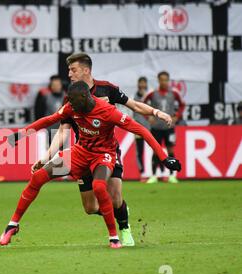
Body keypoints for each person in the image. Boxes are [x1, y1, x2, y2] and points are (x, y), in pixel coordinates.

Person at [1, 81, 181, 248]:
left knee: (99, 186)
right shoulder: (72, 106)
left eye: (74, 103)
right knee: (39, 177)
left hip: (103, 156)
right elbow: (49, 120)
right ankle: (13, 224)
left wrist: (164, 158)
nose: (71, 107)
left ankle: (114, 237)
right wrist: (21, 134)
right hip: (80, 153)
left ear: (86, 98)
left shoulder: (107, 111)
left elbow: (141, 129)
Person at [31, 53, 172, 247]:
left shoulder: (107, 88)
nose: (69, 74)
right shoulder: (70, 97)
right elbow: (63, 132)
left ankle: (124, 228)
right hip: (82, 155)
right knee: (90, 208)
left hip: (107, 152)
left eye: (73, 70)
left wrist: (156, 112)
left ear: (86, 70)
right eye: (69, 70)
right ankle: (113, 213)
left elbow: (134, 106)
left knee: (115, 198)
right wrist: (47, 156)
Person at [144, 71, 185, 184]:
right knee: (156, 151)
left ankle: (172, 175)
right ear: (158, 80)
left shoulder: (174, 93)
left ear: (168, 80)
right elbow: (142, 104)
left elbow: (182, 104)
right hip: (156, 127)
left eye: (166, 80)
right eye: (162, 79)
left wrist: (177, 116)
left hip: (169, 127)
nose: (164, 82)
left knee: (170, 150)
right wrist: (148, 117)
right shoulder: (153, 93)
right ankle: (153, 175)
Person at [34, 75, 65, 144]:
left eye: (58, 84)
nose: (56, 87)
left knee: (64, 152)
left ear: (61, 85)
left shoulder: (66, 96)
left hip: (63, 130)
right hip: (49, 130)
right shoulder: (45, 97)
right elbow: (39, 113)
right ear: (51, 86)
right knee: (50, 151)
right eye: (54, 85)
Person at [133, 76, 151, 181]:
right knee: (140, 151)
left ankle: (153, 172)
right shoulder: (134, 97)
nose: (142, 85)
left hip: (149, 128)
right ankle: (142, 173)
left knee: (152, 150)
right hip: (138, 128)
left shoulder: (150, 95)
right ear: (138, 84)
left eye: (144, 83)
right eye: (141, 83)